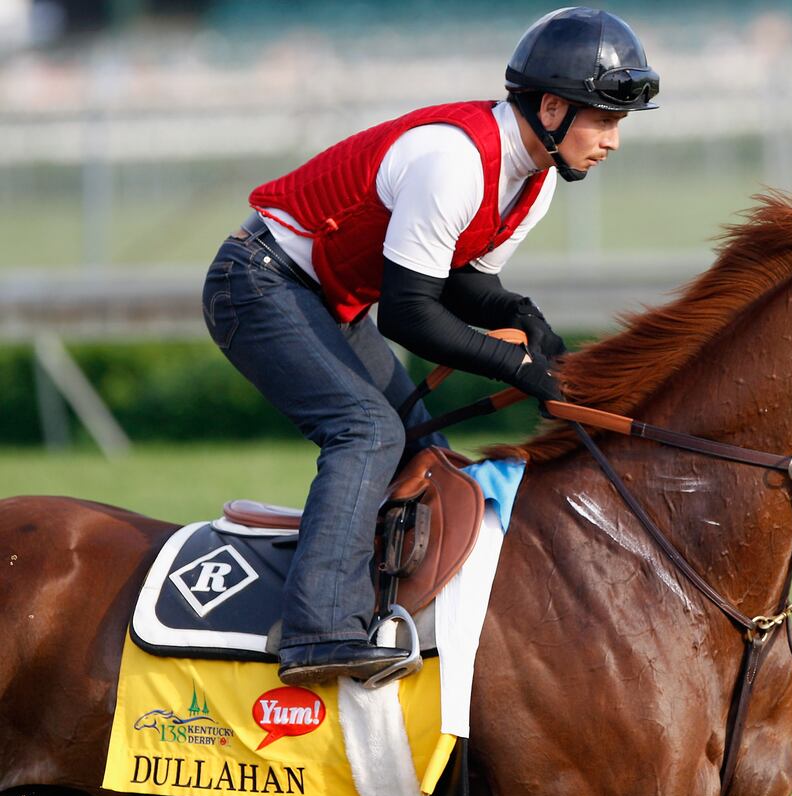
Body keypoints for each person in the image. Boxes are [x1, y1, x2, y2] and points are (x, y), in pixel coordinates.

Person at [200, 7, 659, 687]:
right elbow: (410, 318)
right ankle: (317, 632)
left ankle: (392, 612)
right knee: (366, 432)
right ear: (554, 108)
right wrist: (517, 366)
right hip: (256, 281)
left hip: (326, 297)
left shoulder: (530, 179)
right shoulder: (454, 161)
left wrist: (524, 319)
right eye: (605, 120)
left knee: (424, 447)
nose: (613, 141)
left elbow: (460, 279)